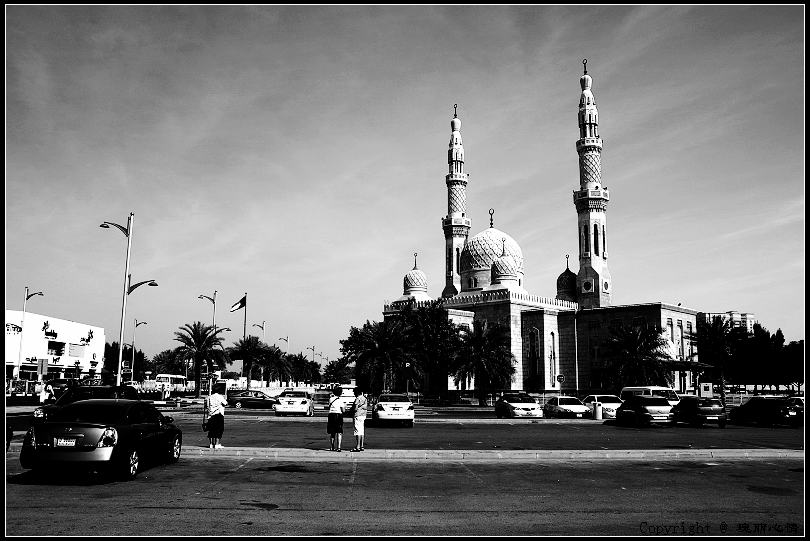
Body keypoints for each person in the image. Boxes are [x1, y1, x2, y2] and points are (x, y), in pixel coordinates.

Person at [204, 383, 228, 449]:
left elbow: (207, 406)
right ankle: (217, 444)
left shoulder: (209, 397)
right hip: (218, 415)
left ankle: (211, 444)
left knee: (211, 430)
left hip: (210, 415)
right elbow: (225, 403)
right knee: (219, 429)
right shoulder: (220, 397)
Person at [349, 387, 367, 452]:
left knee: (357, 431)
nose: (354, 393)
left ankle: (358, 446)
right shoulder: (364, 398)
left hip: (357, 415)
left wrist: (351, 410)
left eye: (354, 392)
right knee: (361, 431)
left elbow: (355, 408)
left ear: (356, 392)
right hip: (363, 415)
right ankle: (361, 446)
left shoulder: (358, 398)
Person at [327, 386, 344, 451]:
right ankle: (339, 447)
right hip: (338, 415)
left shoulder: (331, 399)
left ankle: (332, 447)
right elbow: (343, 410)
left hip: (331, 415)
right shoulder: (340, 400)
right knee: (339, 431)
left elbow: (329, 406)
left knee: (332, 432)